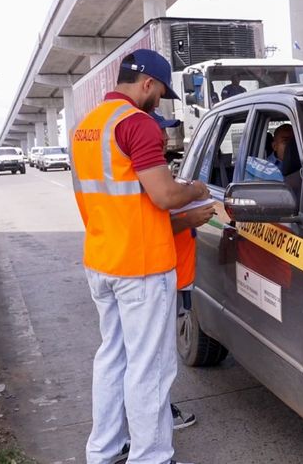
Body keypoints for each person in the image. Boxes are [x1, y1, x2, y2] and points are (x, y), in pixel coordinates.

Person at [70, 48, 210, 464]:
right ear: (148, 83)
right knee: (151, 368)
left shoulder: (86, 127)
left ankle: (105, 450)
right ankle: (152, 457)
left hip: (103, 259)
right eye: (161, 92)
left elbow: (126, 203)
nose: (159, 102)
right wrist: (195, 190)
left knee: (113, 358)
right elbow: (164, 195)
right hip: (142, 267)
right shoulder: (137, 123)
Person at [150, 111, 215, 432]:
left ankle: (154, 412)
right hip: (156, 274)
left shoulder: (165, 176)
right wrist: (189, 217)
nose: (164, 137)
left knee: (154, 355)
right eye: (159, 131)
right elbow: (151, 226)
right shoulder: (154, 181)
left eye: (165, 131)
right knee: (155, 357)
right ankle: (157, 418)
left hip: (172, 273)